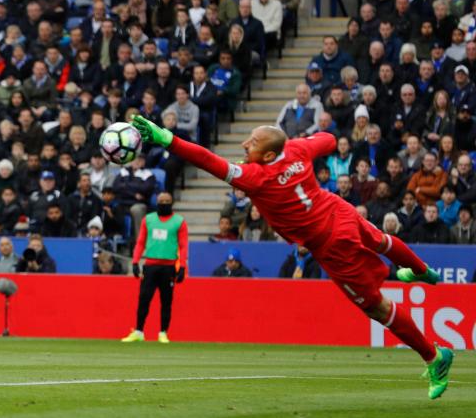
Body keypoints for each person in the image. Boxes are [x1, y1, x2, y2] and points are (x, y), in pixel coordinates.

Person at [132, 115, 454, 399]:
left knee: (375, 306)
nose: (245, 144)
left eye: (253, 142)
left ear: (269, 154)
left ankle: (434, 357)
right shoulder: (297, 150)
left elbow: (207, 160)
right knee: (381, 241)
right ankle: (422, 269)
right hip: (336, 209)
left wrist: (166, 138)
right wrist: (307, 144)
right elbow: (328, 140)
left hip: (329, 243)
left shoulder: (255, 176)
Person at [123, 192, 187, 344]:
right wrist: (135, 262)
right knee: (144, 299)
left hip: (169, 266)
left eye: (167, 201)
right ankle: (139, 331)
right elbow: (140, 242)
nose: (164, 203)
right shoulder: (149, 219)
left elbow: (183, 246)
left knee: (166, 301)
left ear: (171, 203)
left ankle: (163, 332)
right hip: (150, 266)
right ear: (156, 202)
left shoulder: (179, 221)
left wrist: (182, 266)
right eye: (161, 201)